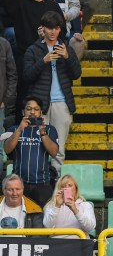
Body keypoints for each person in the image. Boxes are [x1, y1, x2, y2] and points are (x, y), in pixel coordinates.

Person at [21, 12, 81, 169]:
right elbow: (26, 76)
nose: (53, 32)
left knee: (59, 150)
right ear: (43, 29)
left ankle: (56, 187)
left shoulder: (66, 48)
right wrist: (43, 61)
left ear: (60, 29)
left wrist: (68, 57)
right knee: (37, 147)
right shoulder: (33, 50)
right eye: (49, 28)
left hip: (62, 103)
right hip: (39, 108)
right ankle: (40, 186)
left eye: (56, 28)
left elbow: (76, 74)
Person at [2, 0, 65, 66]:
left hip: (50, 55)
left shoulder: (53, 5)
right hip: (25, 57)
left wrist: (47, 36)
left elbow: (63, 30)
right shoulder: (20, 4)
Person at [2, 97, 60, 206]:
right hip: (18, 185)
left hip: (42, 184)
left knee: (41, 219)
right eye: (29, 109)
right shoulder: (14, 129)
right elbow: (7, 149)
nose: (32, 112)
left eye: (36, 109)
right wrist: (19, 129)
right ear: (23, 112)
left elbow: (54, 152)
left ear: (41, 112)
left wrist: (42, 133)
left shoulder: (50, 129)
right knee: (19, 219)